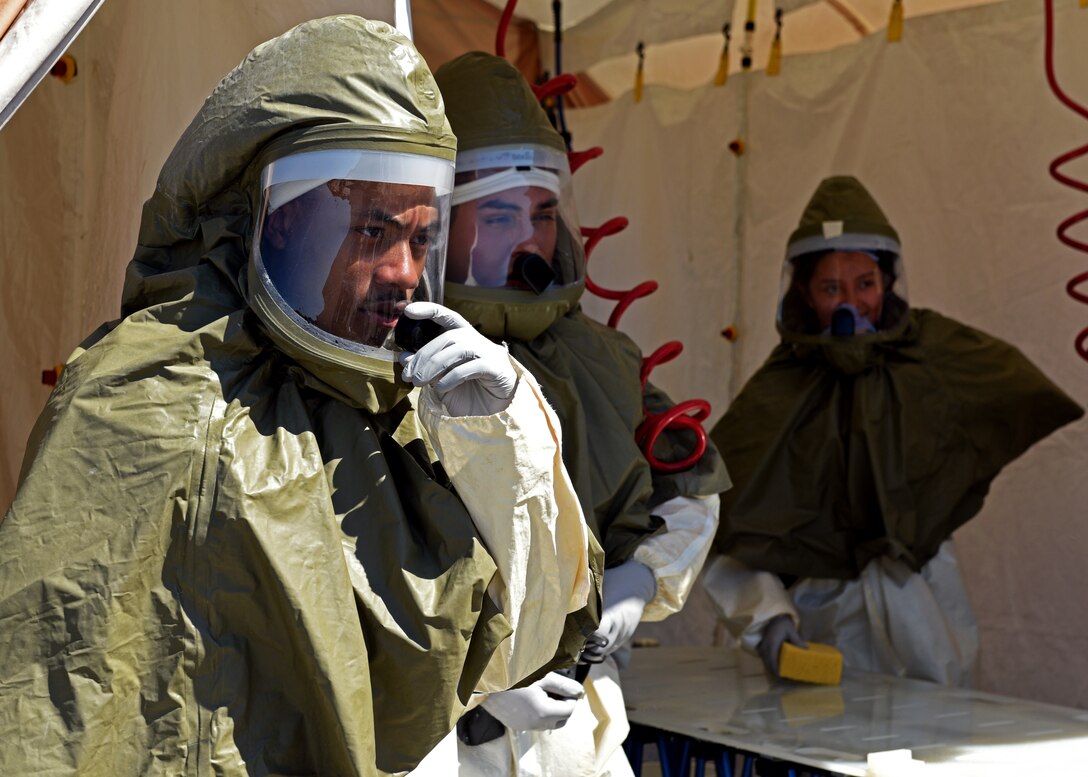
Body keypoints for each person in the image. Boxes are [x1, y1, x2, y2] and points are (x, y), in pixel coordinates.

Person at [0, 17, 600, 776]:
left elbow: (528, 627)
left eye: (420, 239)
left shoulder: (396, 405)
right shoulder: (142, 397)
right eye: (371, 229)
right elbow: (55, 706)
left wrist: (504, 431)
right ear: (271, 222)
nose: (403, 272)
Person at [412, 52, 730, 776]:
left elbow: (692, 486)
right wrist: (481, 685)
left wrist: (641, 579)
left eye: (544, 213)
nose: (529, 239)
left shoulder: (601, 359)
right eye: (498, 214)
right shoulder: (395, 358)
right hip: (445, 747)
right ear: (440, 219)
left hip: (581, 730)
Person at [703, 175, 1083, 686]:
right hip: (820, 623)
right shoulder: (781, 390)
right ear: (804, 293)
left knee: (939, 753)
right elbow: (729, 519)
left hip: (924, 613)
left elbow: (1009, 394)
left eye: (865, 284)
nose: (851, 303)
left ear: (886, 283)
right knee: (821, 753)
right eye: (830, 287)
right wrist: (768, 622)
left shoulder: (928, 355)